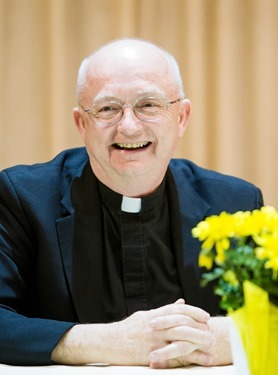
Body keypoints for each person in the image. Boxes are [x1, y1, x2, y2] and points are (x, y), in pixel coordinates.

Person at [0, 38, 263, 368]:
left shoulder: (234, 203)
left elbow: (270, 312)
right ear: (82, 124)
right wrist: (110, 342)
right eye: (107, 109)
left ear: (181, 117)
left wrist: (232, 337)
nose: (128, 126)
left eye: (149, 105)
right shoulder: (23, 199)